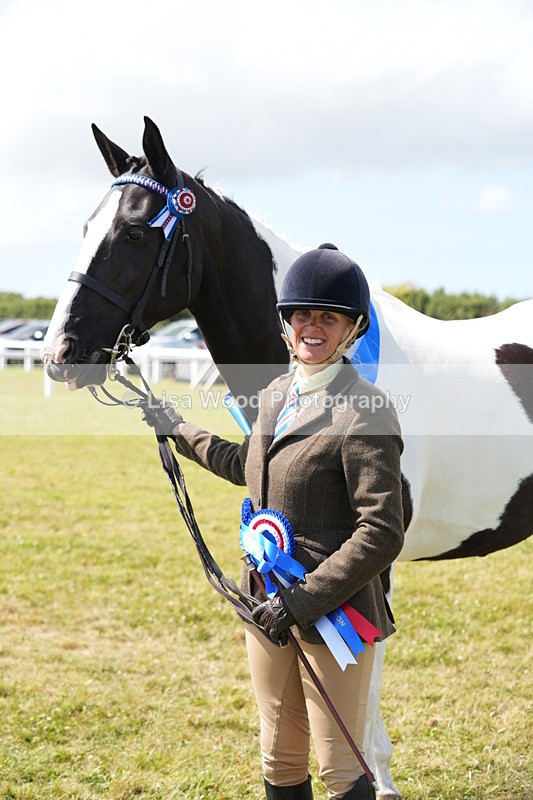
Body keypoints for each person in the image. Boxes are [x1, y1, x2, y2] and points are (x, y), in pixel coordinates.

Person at [144, 244, 405, 800]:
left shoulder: (367, 409)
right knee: (280, 757)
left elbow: (383, 529)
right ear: (286, 325)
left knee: (340, 767)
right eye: (302, 315)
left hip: (333, 614)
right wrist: (178, 428)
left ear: (351, 328)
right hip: (264, 600)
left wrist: (302, 600)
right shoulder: (274, 396)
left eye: (328, 317)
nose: (313, 326)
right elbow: (249, 466)